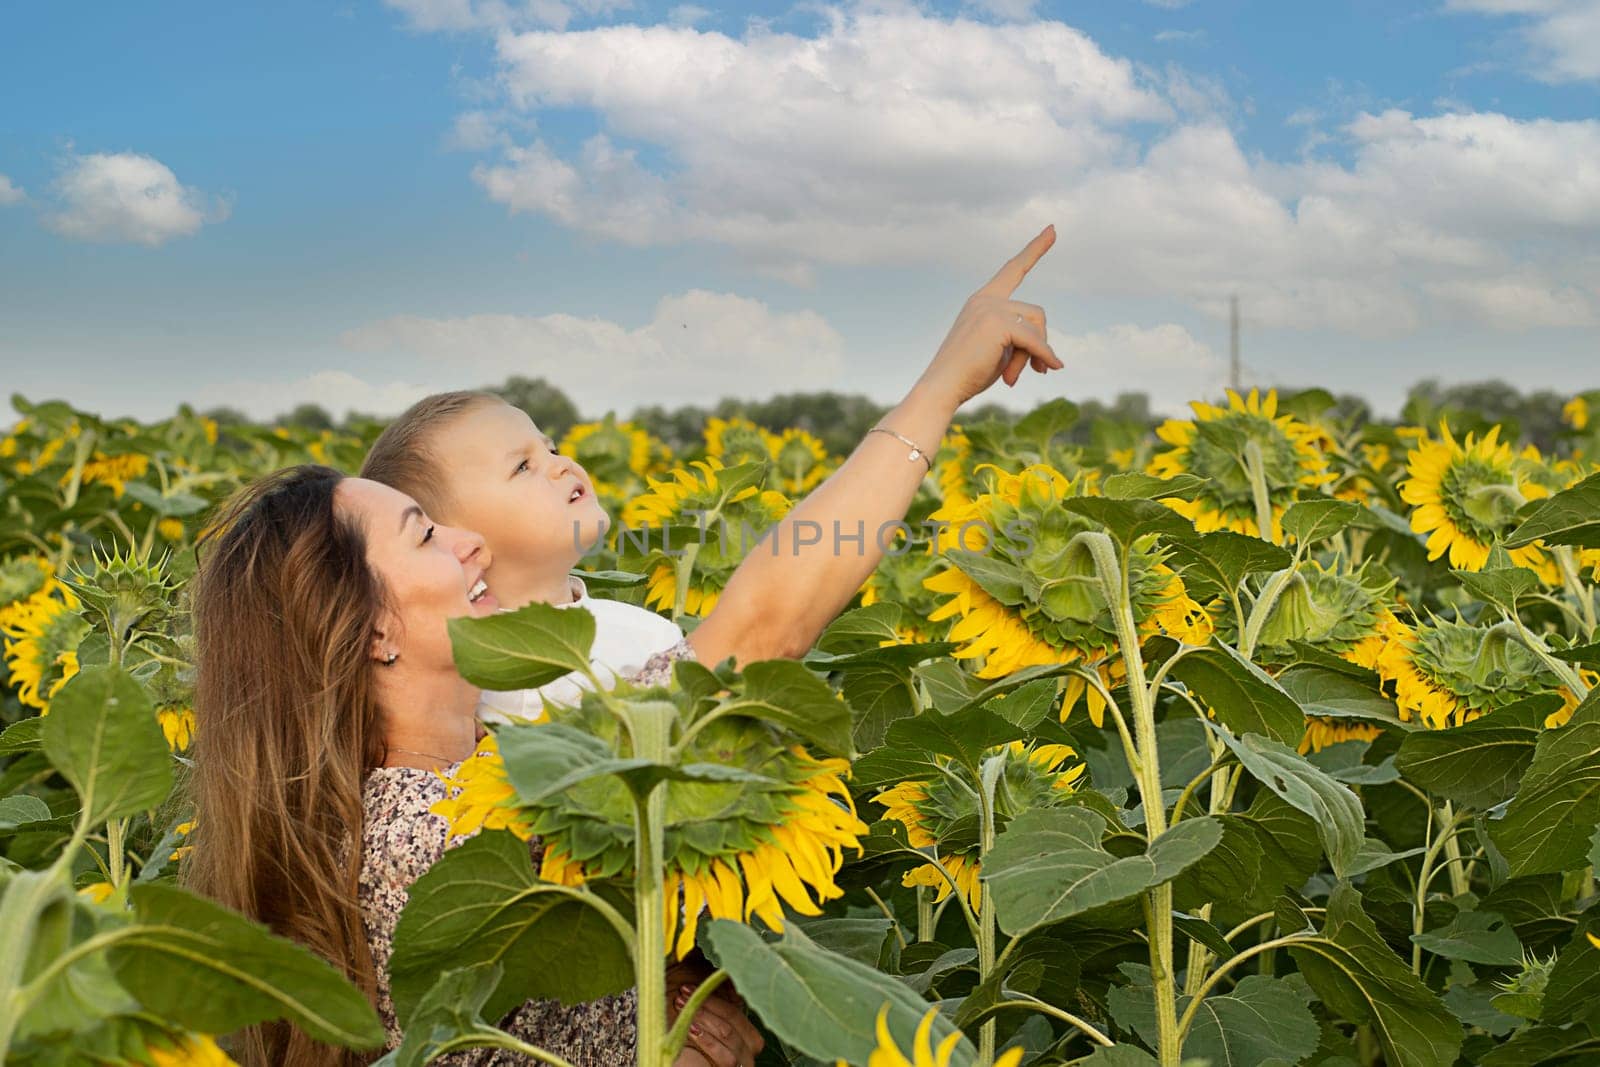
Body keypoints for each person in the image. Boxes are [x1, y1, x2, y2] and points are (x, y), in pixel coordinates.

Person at [357, 226, 1062, 724]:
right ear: (462, 546)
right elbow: (754, 638)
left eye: (548, 445)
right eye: (521, 466)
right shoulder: (505, 685)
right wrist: (940, 385)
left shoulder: (611, 619)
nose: (560, 462)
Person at [182, 464, 764, 1066]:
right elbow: (754, 635)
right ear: (373, 628)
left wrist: (671, 992)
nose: (475, 544)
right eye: (427, 536)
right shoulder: (429, 832)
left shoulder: (471, 763)